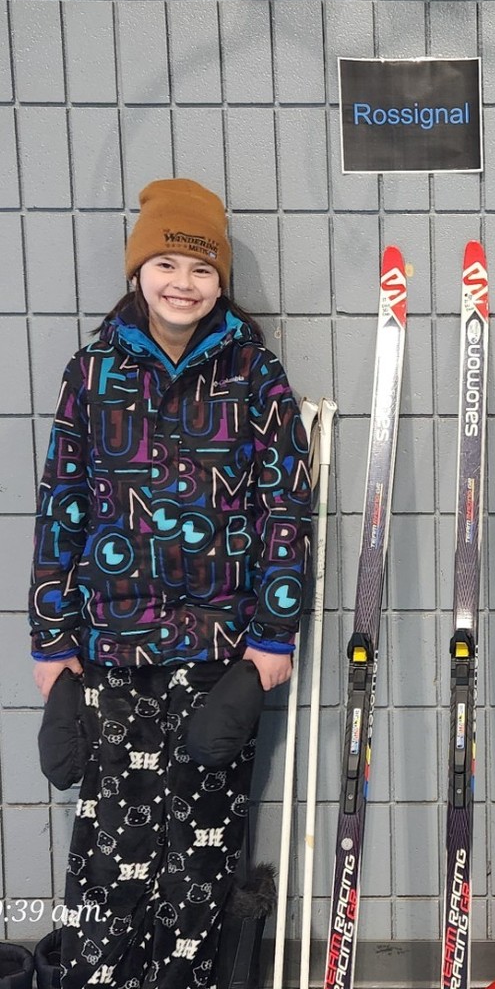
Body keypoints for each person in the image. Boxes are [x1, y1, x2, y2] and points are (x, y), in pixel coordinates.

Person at [28, 178, 312, 988]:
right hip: (111, 651)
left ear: (220, 281)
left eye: (200, 268)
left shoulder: (255, 376)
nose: (182, 283)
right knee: (111, 861)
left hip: (218, 655)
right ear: (138, 271)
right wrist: (52, 642)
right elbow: (61, 511)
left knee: (200, 858)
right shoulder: (92, 375)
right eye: (165, 263)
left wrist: (269, 643)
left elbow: (285, 513)